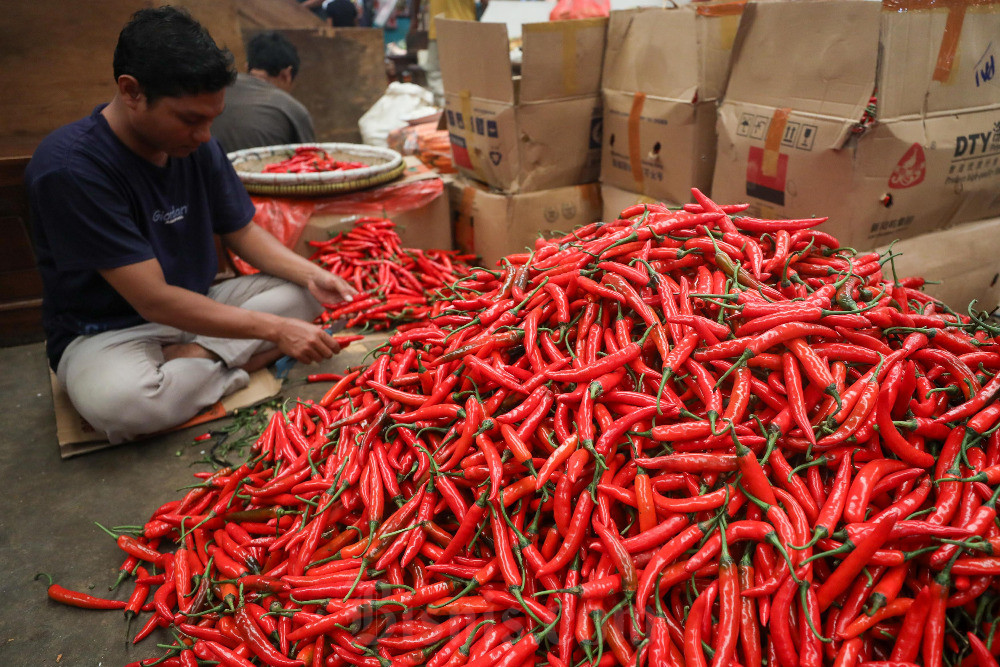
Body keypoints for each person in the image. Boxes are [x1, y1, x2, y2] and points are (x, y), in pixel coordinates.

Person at [25, 6, 356, 444]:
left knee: (305, 295)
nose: (204, 135)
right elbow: (155, 301)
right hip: (106, 332)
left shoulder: (196, 146)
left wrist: (314, 274)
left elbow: (242, 232)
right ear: (131, 91)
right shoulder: (72, 170)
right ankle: (237, 365)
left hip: (198, 308)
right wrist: (274, 331)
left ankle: (197, 358)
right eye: (190, 119)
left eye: (211, 118)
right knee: (123, 405)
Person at [210, 31, 316, 153]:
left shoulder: (215, 88)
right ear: (287, 74)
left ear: (247, 66)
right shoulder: (291, 108)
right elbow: (310, 159)